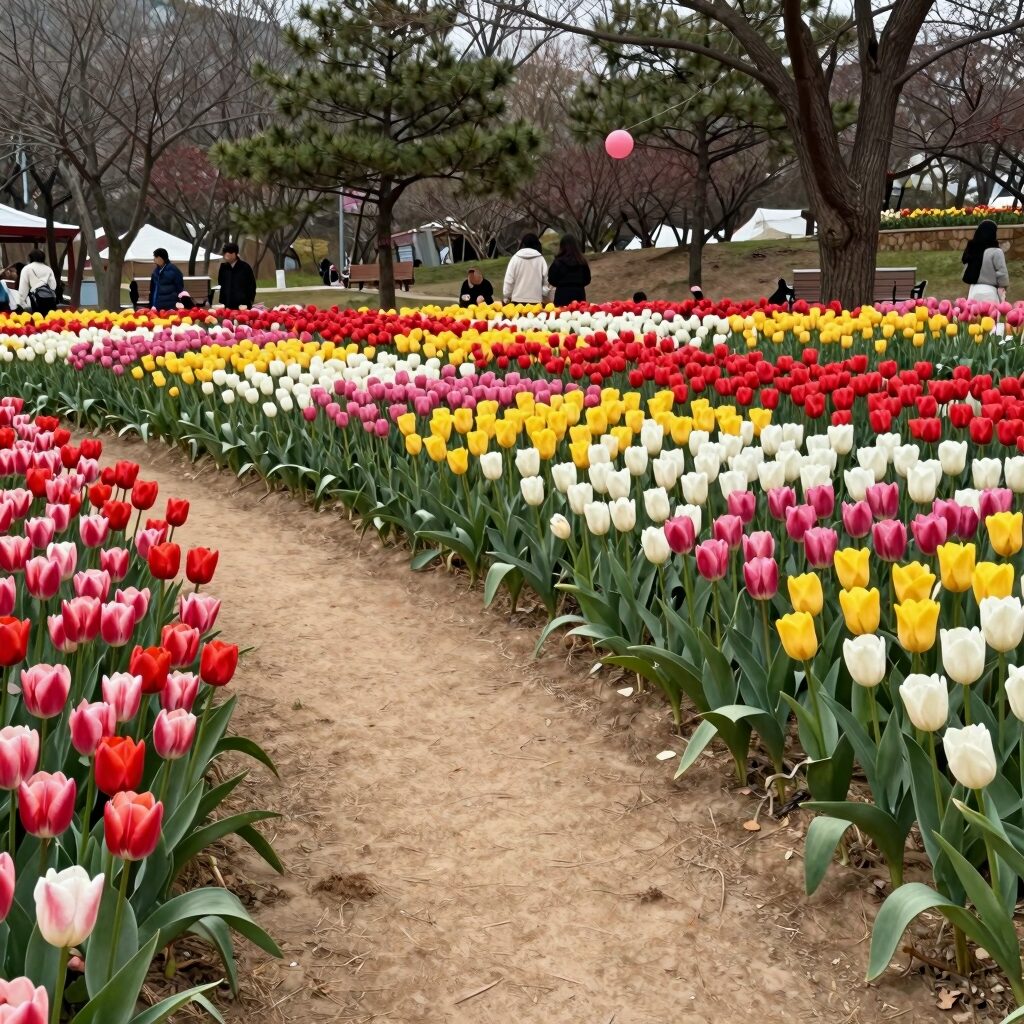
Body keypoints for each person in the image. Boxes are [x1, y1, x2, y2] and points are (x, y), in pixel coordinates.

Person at [962, 219, 1009, 302]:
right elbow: (1002, 273)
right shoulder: (996, 251)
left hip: (973, 290)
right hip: (990, 291)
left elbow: (966, 265)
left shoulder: (972, 248)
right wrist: (1004, 287)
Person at [502, 233, 549, 305]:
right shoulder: (540, 259)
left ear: (523, 244)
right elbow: (546, 281)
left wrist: (507, 296)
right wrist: (543, 294)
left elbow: (509, 280)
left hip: (517, 301)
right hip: (536, 301)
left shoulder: (515, 258)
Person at [547, 235, 591, 306]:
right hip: (579, 294)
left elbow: (551, 279)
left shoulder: (557, 262)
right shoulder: (582, 262)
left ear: (562, 246)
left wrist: (561, 284)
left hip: (562, 295)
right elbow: (587, 279)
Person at [16, 251, 57, 315]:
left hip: (36, 299)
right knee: (50, 318)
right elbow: (53, 286)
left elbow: (23, 288)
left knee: (38, 318)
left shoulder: (27, 268)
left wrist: (21, 303)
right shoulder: (48, 269)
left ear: (30, 258)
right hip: (50, 299)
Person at [217, 243, 257, 309]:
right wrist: (222, 302)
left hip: (243, 305)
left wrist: (250, 300)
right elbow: (221, 283)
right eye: (225, 252)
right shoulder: (223, 267)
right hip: (227, 305)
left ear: (234, 254)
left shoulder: (245, 267)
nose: (226, 254)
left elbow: (252, 285)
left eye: (229, 252)